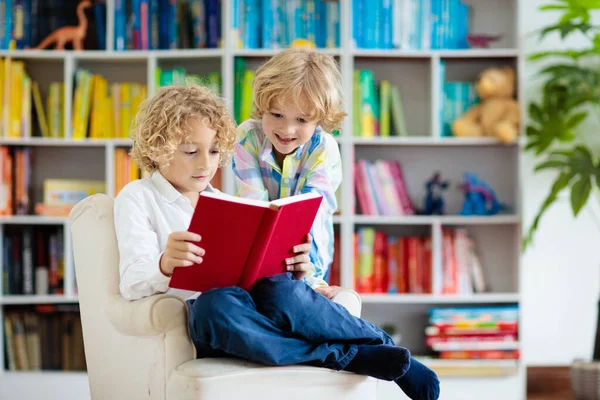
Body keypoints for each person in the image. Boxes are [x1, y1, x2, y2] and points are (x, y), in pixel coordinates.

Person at [115, 84, 439, 400]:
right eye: (191, 152)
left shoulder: (221, 202)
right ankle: (348, 355)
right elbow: (132, 281)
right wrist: (164, 264)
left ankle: (387, 350)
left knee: (283, 290)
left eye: (214, 151)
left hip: (252, 303)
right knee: (216, 305)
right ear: (158, 148)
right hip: (211, 316)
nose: (205, 164)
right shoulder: (139, 197)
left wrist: (294, 267)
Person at [232, 48, 440, 399]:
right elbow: (253, 204)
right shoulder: (246, 137)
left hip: (305, 255)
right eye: (277, 114)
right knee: (245, 306)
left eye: (301, 120)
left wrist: (308, 277)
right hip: (257, 256)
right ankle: (361, 351)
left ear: (320, 119)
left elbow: (311, 215)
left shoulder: (323, 147)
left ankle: (382, 346)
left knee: (285, 298)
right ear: (260, 109)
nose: (286, 129)